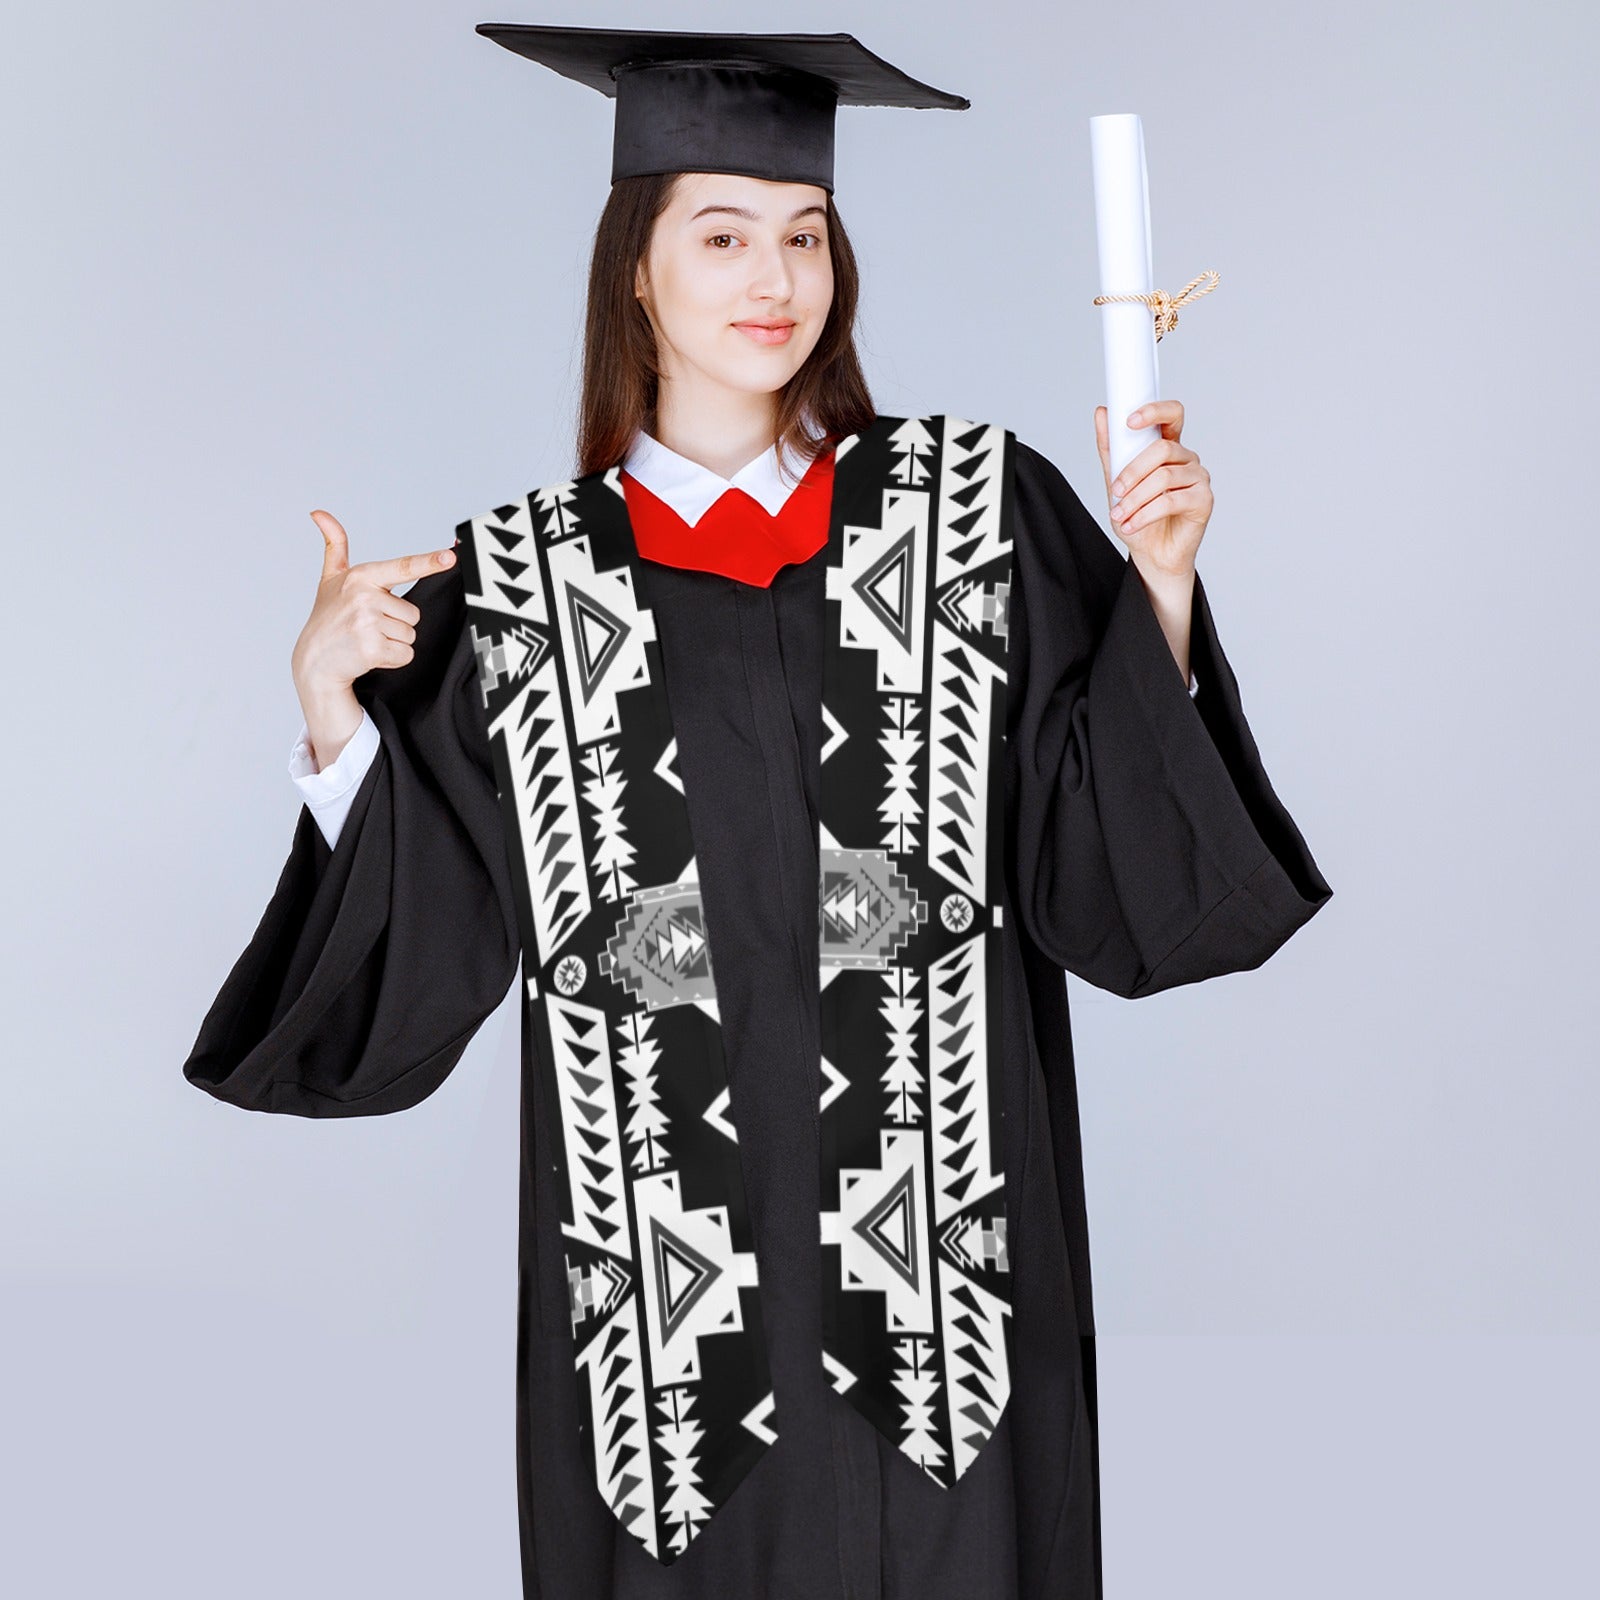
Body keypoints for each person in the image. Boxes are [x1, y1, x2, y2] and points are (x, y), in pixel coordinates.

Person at [183, 23, 1333, 1599]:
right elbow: (424, 944)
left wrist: (1165, 592)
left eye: (804, 236)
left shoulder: (974, 520)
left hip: (948, 1324)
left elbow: (1109, 870)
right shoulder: (522, 587)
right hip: (666, 1368)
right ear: (635, 273)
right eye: (719, 236)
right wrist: (331, 713)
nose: (772, 276)